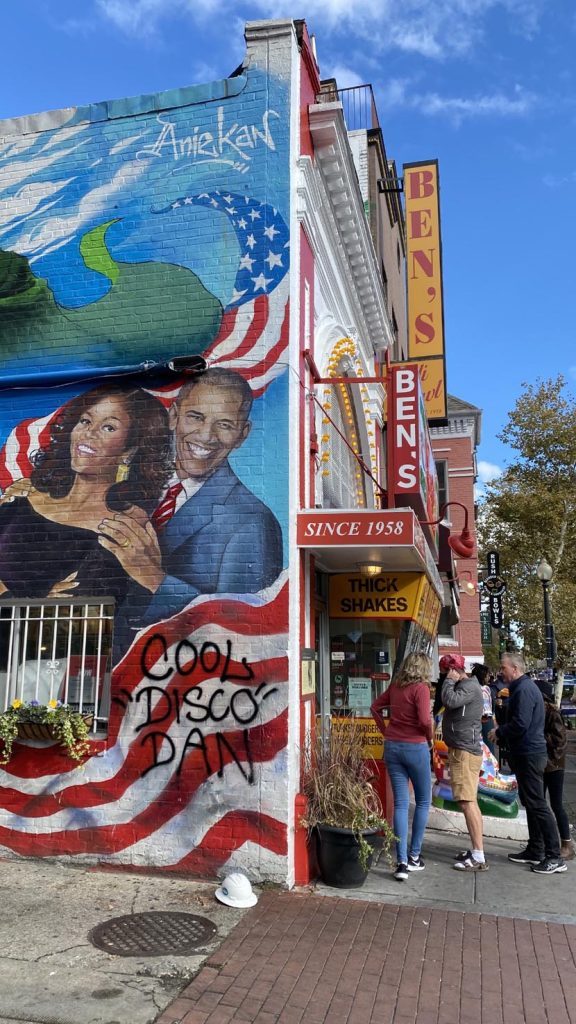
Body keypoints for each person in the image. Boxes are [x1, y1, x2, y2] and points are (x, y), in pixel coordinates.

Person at [105, 368, 284, 639]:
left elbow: (241, 626)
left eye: (224, 425)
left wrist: (155, 577)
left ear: (242, 434)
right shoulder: (129, 484)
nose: (206, 436)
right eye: (195, 417)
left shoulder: (252, 521)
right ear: (174, 416)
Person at [0, 385, 172, 606]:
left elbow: (79, 612)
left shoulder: (123, 529)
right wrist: (33, 598)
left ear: (129, 450)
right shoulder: (21, 498)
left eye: (109, 427)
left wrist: (14, 595)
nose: (89, 433)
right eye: (85, 421)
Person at [489, 652, 567, 874]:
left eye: (503, 667)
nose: (500, 671)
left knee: (538, 804)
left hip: (530, 754)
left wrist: (499, 732)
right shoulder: (523, 688)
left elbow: (520, 724)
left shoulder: (524, 690)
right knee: (531, 802)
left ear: (515, 668)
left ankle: (554, 855)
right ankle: (536, 849)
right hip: (527, 753)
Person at [371, 652, 433, 882]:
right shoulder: (421, 688)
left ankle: (402, 861)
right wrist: (429, 739)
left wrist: (385, 730)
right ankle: (415, 856)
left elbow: (375, 707)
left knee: (400, 803)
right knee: (423, 801)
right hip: (415, 747)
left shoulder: (395, 686)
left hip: (393, 746)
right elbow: (426, 720)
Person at [441, 655, 487, 871]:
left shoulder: (467, 687)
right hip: (463, 750)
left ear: (452, 670)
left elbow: (449, 700)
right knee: (469, 801)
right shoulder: (469, 686)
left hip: (464, 751)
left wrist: (449, 681)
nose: (443, 677)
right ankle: (477, 850)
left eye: (445, 672)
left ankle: (478, 856)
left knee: (467, 802)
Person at [537, 678, 574, 861]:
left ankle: (567, 843)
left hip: (554, 766)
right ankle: (542, 841)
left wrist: (541, 738)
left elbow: (560, 742)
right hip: (543, 764)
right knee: (539, 803)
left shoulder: (553, 713)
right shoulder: (540, 712)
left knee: (556, 804)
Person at [471, 662, 496, 756]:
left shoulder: (470, 688)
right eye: (487, 675)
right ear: (482, 676)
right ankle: (492, 768)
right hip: (486, 720)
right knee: (489, 747)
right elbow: (492, 707)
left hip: (475, 720)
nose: (488, 678)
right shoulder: (487, 689)